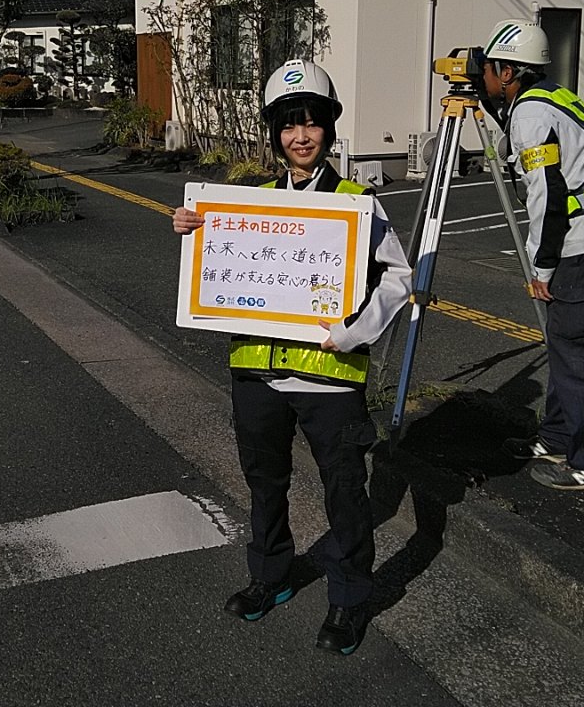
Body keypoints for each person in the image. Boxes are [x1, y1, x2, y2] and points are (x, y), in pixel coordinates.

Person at [172, 60, 413, 656]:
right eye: (288, 125)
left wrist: (353, 333)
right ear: (275, 133)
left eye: (311, 123)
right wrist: (194, 228)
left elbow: (399, 278)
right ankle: (270, 576)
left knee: (345, 492)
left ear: (329, 128)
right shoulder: (250, 203)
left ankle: (350, 598)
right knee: (264, 483)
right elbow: (219, 267)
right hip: (257, 373)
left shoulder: (357, 202)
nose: (300, 137)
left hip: (328, 377)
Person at [480, 20, 584, 492]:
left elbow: (546, 196)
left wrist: (541, 267)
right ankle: (555, 437)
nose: (482, 74)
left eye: (489, 68)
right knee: (563, 343)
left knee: (572, 353)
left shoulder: (531, 117)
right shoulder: (551, 96)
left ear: (508, 72)